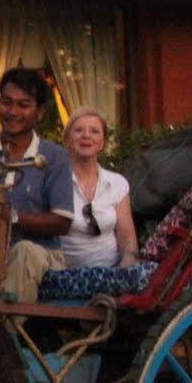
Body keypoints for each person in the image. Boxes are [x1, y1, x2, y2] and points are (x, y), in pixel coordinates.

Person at [0, 67, 72, 300]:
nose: (13, 111)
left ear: (39, 113)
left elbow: (62, 222)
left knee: (24, 251)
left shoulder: (54, 156)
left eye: (23, 105)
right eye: (7, 103)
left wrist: (13, 217)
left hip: (42, 256)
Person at [59, 108, 139, 269]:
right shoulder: (55, 181)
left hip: (111, 272)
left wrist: (124, 268)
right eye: (79, 130)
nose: (86, 135)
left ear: (102, 143)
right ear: (67, 140)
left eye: (94, 131)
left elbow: (127, 240)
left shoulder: (117, 183)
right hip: (65, 274)